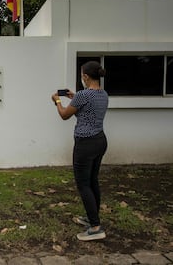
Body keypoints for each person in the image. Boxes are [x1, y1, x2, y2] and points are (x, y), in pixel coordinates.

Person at [51, 61, 108, 241]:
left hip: (85, 144)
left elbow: (64, 115)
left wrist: (58, 101)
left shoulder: (84, 95)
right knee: (92, 181)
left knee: (83, 184)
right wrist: (73, 97)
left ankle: (96, 228)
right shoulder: (103, 94)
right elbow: (86, 110)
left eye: (81, 74)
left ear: (85, 76)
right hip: (100, 141)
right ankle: (93, 219)